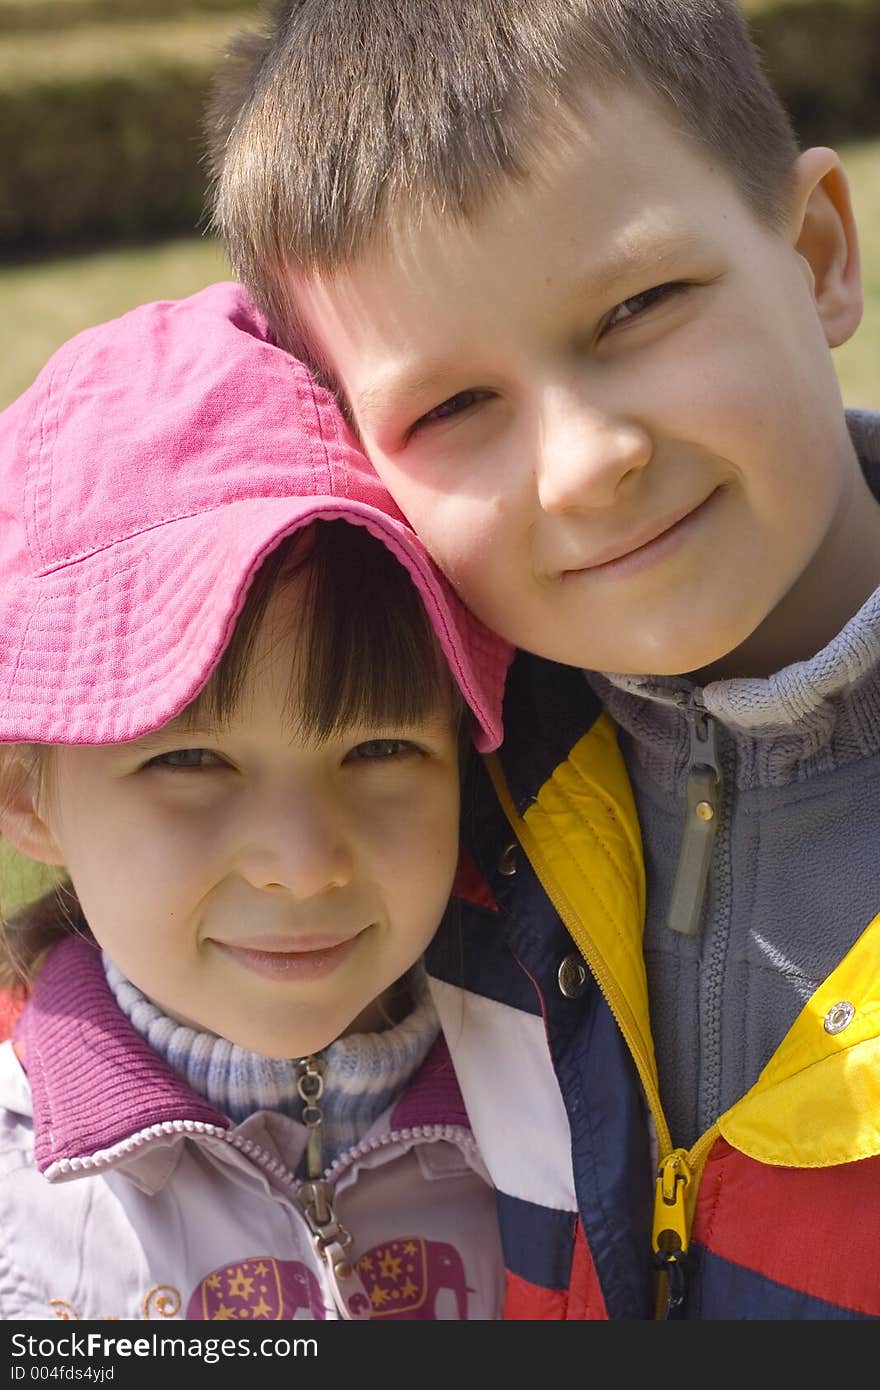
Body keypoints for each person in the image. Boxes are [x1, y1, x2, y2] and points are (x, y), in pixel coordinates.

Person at [205, 0, 880, 1318]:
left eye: (638, 305)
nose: (584, 464)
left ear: (814, 253)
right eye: (451, 407)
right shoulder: (409, 793)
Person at [0, 281, 510, 1322]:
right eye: (191, 762)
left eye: (378, 745)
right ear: (24, 790)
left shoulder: (567, 1118)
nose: (302, 859)